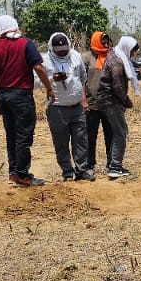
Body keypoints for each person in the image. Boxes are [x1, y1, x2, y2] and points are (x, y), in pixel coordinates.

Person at [0, 14, 56, 187]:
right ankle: (23, 176)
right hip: (22, 96)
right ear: (14, 25)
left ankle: (13, 172)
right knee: (24, 137)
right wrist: (49, 88)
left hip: (4, 95)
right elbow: (38, 67)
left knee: (11, 136)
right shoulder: (25, 44)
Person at [43, 32, 95, 182]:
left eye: (65, 50)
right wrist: (53, 78)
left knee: (81, 140)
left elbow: (83, 79)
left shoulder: (76, 56)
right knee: (61, 142)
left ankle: (81, 170)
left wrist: (84, 100)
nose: (63, 53)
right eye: (59, 52)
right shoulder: (45, 61)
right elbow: (36, 82)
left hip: (77, 107)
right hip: (57, 108)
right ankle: (67, 172)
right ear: (52, 49)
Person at [90, 33, 141, 179]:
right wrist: (126, 100)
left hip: (108, 102)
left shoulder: (114, 56)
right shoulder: (118, 62)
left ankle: (114, 164)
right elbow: (118, 86)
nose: (132, 54)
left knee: (118, 132)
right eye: (132, 51)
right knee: (121, 133)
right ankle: (114, 166)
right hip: (111, 102)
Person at [80, 31, 112, 174]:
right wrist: (84, 100)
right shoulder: (86, 58)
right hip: (91, 104)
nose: (105, 45)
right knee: (90, 136)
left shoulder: (111, 57)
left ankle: (112, 164)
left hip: (109, 104)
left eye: (107, 42)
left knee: (111, 135)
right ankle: (89, 165)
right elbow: (81, 81)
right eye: (102, 43)